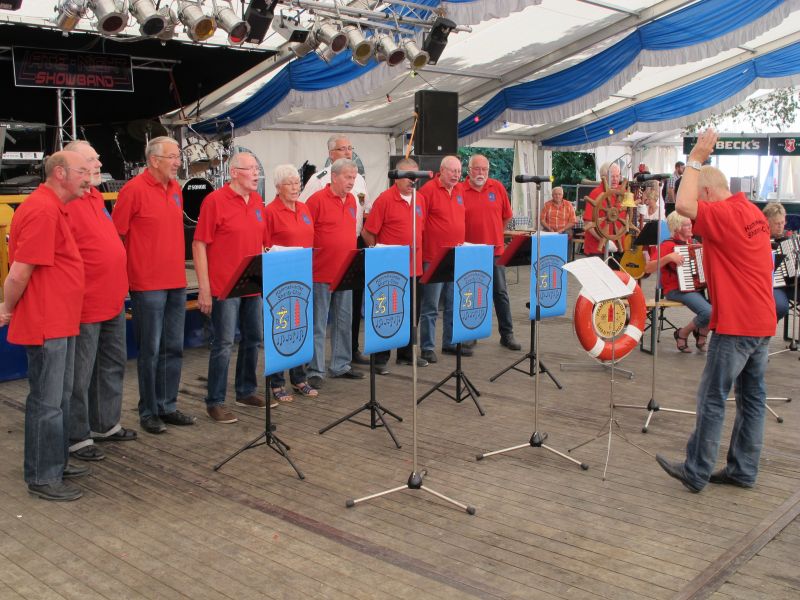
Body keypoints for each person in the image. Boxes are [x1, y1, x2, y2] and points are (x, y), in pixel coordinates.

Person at [656, 128, 775, 493]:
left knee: (712, 398)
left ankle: (696, 471)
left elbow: (682, 206)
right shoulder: (751, 212)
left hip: (736, 323)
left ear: (707, 192)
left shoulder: (723, 213)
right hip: (763, 321)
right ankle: (743, 470)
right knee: (752, 400)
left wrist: (695, 159)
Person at [0, 151, 90, 501]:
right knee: (47, 402)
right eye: (82, 171)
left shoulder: (53, 207)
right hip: (46, 322)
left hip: (59, 320)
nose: (88, 178)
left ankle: (55, 463)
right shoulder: (42, 210)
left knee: (58, 399)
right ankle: (43, 475)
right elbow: (19, 273)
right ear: (60, 173)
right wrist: (7, 308)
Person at [113, 136, 195, 434]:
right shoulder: (133, 190)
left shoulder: (175, 189)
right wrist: (124, 278)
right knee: (150, 350)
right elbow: (117, 236)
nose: (178, 162)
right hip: (147, 284)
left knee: (173, 347)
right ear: (154, 160)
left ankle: (167, 405)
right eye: (173, 157)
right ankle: (148, 410)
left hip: (176, 281)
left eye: (178, 157)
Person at [63, 141, 134, 463]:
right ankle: (77, 436)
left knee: (112, 364)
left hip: (112, 298)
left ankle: (105, 424)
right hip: (85, 303)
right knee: (80, 375)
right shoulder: (66, 202)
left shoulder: (94, 196)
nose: (99, 163)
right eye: (92, 159)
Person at [193, 152, 269, 424]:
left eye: (257, 168)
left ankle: (245, 390)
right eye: (250, 169)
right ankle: (214, 401)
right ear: (234, 172)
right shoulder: (215, 201)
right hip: (224, 286)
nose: (256, 173)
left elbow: (262, 242)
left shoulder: (258, 201)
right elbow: (199, 244)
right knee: (224, 343)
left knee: (254, 338)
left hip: (253, 284)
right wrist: (204, 288)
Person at [300, 135, 371, 366]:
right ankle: (316, 368)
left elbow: (359, 220)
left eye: (353, 177)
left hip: (346, 267)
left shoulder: (351, 200)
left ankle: (341, 364)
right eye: (347, 177)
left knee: (344, 320)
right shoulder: (316, 194)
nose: (352, 181)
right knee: (319, 322)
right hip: (321, 268)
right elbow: (304, 225)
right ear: (333, 176)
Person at [362, 157, 428, 369]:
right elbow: (368, 232)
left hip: (414, 267)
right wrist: (380, 256)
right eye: (408, 176)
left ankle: (406, 354)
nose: (412, 180)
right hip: (390, 270)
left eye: (415, 176)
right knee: (387, 313)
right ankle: (381, 358)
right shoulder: (385, 199)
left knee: (412, 312)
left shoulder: (420, 199)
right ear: (396, 177)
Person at [263, 164, 319, 400]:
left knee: (299, 328)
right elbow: (264, 246)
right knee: (280, 329)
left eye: (297, 183)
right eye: (290, 183)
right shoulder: (270, 212)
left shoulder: (304, 208)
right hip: (279, 281)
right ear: (278, 187)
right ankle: (276, 382)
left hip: (303, 278)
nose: (295, 187)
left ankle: (299, 378)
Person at [462, 153, 521, 351]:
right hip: (470, 253)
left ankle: (507, 334)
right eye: (477, 169)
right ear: (469, 170)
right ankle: (471, 334)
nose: (481, 173)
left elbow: (507, 216)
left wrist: (496, 234)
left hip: (495, 251)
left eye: (484, 169)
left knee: (500, 293)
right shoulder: (460, 190)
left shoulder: (497, 187)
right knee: (472, 294)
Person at [418, 155, 467, 363]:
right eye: (453, 171)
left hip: (456, 256)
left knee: (453, 302)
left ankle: (450, 342)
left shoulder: (459, 190)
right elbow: (419, 222)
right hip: (433, 257)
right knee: (430, 305)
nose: (456, 175)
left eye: (459, 171)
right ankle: (427, 347)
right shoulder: (427, 191)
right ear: (442, 170)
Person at [644, 211, 711, 353]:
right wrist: (668, 258)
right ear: (677, 228)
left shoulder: (695, 244)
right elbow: (648, 268)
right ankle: (682, 333)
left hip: (696, 288)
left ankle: (702, 333)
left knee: (722, 306)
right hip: (676, 290)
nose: (691, 227)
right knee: (708, 312)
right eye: (687, 225)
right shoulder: (668, 245)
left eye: (690, 224)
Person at [583, 163, 626, 258]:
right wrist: (605, 240)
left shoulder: (622, 192)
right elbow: (588, 223)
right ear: (603, 177)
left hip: (618, 247)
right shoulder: (596, 194)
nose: (615, 179)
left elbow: (630, 213)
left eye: (617, 176)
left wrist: (641, 207)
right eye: (612, 176)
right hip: (597, 249)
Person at [763, 202, 791, 321]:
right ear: (767, 222)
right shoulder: (761, 239)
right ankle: (765, 329)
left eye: (782, 223)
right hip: (773, 284)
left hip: (792, 282)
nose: (780, 226)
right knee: (780, 307)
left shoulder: (788, 237)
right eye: (777, 223)